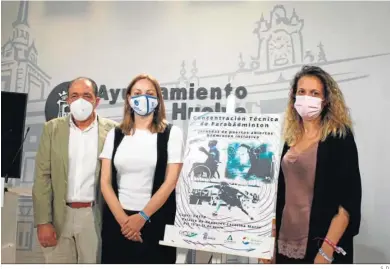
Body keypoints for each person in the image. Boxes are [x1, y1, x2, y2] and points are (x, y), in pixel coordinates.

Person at [275, 65, 362, 264]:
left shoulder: (339, 137)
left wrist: (326, 251)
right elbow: (284, 191)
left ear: (325, 100)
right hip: (286, 240)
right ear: (293, 97)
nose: (307, 98)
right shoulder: (291, 137)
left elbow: (348, 201)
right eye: (301, 92)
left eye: (314, 93)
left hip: (320, 245)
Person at [99, 74, 184, 264]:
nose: (143, 97)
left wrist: (142, 217)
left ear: (157, 99)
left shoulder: (171, 133)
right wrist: (124, 221)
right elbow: (105, 182)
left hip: (155, 221)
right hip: (118, 223)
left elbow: (171, 182)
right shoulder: (115, 134)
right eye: (137, 93)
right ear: (129, 99)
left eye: (149, 93)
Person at [32, 77, 118, 263]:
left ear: (97, 101)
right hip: (58, 215)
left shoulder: (113, 131)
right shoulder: (52, 129)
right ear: (68, 100)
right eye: (75, 95)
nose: (80, 101)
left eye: (87, 96)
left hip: (94, 216)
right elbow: (42, 177)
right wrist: (43, 221)